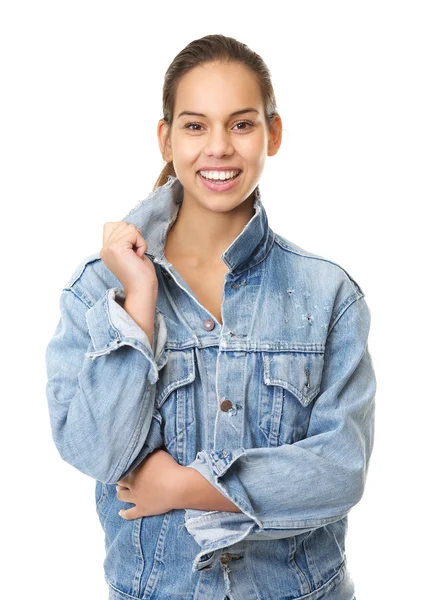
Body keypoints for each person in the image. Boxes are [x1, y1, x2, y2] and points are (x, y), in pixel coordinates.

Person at [45, 34, 374, 600]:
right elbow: (96, 453)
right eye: (195, 126)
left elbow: (340, 469)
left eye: (241, 125)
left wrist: (184, 486)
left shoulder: (328, 294)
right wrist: (140, 304)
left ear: (272, 134)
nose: (218, 147)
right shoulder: (100, 289)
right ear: (165, 137)